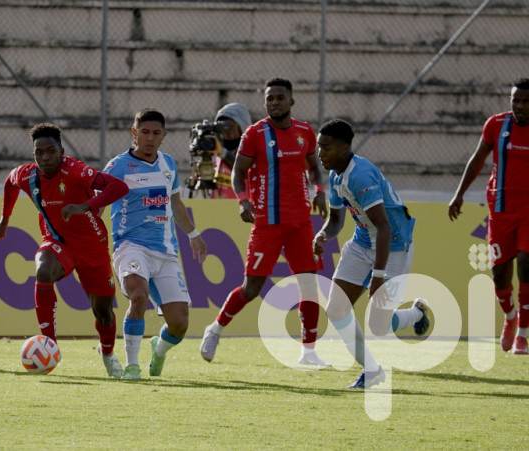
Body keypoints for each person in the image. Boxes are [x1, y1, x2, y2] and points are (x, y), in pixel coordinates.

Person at [200, 77, 329, 366]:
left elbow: (314, 169)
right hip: (267, 224)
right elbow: (238, 172)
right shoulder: (255, 134)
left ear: (291, 101)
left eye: (280, 98)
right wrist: (243, 199)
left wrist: (319, 192)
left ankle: (308, 353)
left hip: (300, 223)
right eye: (270, 98)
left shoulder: (305, 133)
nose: (274, 103)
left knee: (309, 285)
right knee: (251, 288)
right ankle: (215, 328)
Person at [0, 123, 130, 378]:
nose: (45, 157)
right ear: (34, 154)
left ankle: (108, 354)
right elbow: (10, 182)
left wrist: (85, 206)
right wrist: (4, 219)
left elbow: (119, 187)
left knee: (103, 313)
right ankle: (48, 344)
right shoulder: (28, 175)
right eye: (39, 152)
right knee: (43, 270)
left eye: (51, 151)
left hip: (92, 247)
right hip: (57, 241)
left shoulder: (77, 171)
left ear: (61, 151)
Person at [312, 119, 430, 388]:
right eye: (319, 147)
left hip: (394, 246)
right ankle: (372, 370)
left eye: (326, 147)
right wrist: (322, 235)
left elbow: (384, 227)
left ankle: (416, 314)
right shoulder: (336, 174)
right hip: (362, 242)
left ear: (344, 149)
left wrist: (377, 276)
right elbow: (336, 222)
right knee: (336, 309)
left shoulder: (360, 175)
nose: (320, 153)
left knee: (379, 326)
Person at [103, 108, 208, 379]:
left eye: (156, 133)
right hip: (130, 246)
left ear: (164, 136)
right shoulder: (118, 166)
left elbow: (175, 203)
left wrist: (193, 235)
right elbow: (98, 202)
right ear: (134, 133)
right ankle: (132, 365)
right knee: (138, 295)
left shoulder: (168, 164)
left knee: (179, 325)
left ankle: (158, 351)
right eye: (144, 132)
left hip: (165, 252)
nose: (149, 138)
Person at [449, 78, 529, 355]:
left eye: (525, 101)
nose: (519, 106)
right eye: (515, 100)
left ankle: (523, 335)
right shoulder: (496, 125)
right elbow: (477, 160)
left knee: (526, 263)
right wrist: (459, 194)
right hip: (501, 208)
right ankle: (510, 318)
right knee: (500, 274)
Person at [210, 103, 253, 199]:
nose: (227, 131)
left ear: (243, 125)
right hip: (215, 209)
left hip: (243, 209)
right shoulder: (215, 153)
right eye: (222, 126)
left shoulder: (252, 153)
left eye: (230, 125)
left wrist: (222, 153)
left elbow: (243, 171)